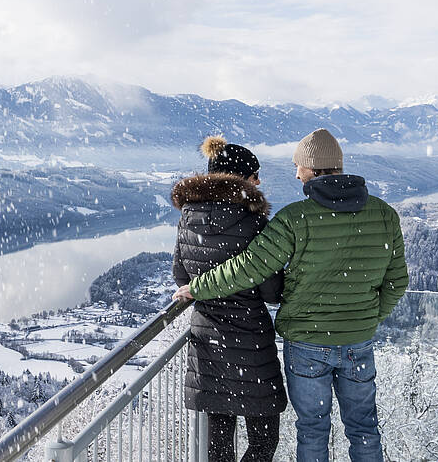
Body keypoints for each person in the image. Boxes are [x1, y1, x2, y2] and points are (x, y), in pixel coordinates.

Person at [174, 128, 409, 462]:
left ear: (311, 169)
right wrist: (365, 318)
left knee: (312, 429)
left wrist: (198, 287)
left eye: (298, 165)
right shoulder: (384, 214)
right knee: (364, 428)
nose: (296, 172)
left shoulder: (295, 218)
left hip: (305, 342)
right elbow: (397, 282)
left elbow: (249, 268)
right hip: (357, 342)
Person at [171, 136, 285, 462]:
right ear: (239, 178)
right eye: (254, 175)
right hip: (251, 347)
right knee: (263, 443)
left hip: (207, 346)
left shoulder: (188, 218)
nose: (259, 182)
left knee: (219, 449)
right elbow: (272, 290)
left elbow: (182, 279)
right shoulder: (254, 223)